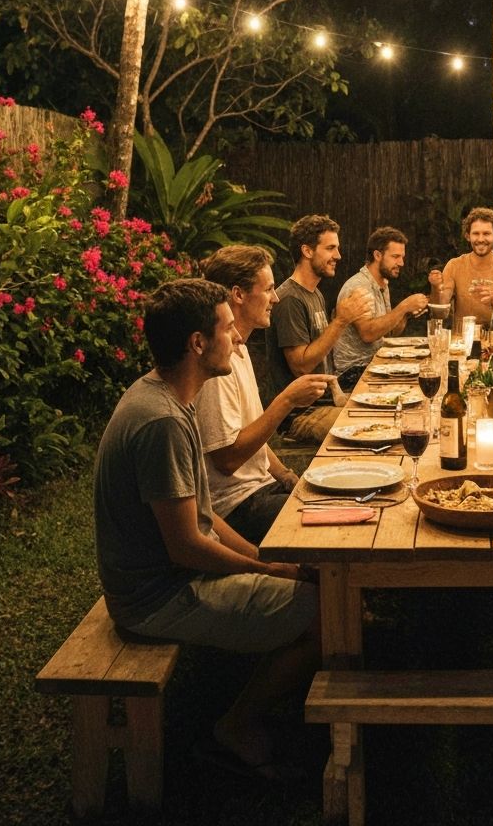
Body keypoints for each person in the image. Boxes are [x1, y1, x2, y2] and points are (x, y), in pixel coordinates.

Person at [93, 279, 319, 777]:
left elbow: (204, 515)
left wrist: (269, 564)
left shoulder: (169, 397)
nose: (238, 340)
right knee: (324, 614)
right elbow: (187, 547)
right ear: (198, 343)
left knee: (308, 578)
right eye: (227, 329)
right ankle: (236, 726)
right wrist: (272, 568)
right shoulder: (162, 422)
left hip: (165, 578)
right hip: (156, 597)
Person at [196, 245, 335, 544]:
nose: (276, 298)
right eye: (269, 289)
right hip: (237, 507)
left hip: (262, 489)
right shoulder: (218, 366)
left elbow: (252, 433)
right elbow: (227, 459)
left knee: (341, 501)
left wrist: (285, 474)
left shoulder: (241, 350)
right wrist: (286, 401)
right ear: (238, 294)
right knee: (332, 527)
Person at [266, 214, 370, 443]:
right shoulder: (290, 300)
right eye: (331, 248)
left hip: (325, 403)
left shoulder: (315, 295)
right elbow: (301, 367)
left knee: (383, 412)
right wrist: (341, 321)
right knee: (368, 428)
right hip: (300, 416)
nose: (338, 256)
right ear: (307, 251)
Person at [332, 226, 429, 389]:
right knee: (417, 384)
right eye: (396, 257)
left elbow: (389, 332)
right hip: (352, 374)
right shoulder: (358, 287)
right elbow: (368, 334)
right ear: (377, 255)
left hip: (375, 364)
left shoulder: (382, 283)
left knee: (426, 371)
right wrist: (403, 306)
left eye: (402, 257)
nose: (401, 263)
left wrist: (405, 314)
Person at [428, 206, 493, 326]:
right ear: (468, 236)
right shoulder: (454, 266)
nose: (480, 239)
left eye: (486, 234)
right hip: (462, 341)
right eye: (476, 233)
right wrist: (436, 288)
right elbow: (439, 314)